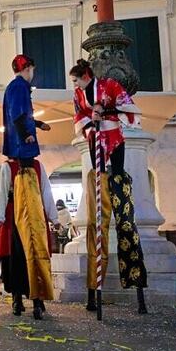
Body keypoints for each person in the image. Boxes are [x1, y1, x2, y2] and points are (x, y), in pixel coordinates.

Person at [70, 59, 148, 315]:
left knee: (125, 219)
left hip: (114, 139)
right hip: (95, 141)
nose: (75, 85)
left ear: (86, 75)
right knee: (96, 225)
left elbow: (128, 107)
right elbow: (79, 117)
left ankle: (135, 281)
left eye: (76, 79)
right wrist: (90, 118)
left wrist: (105, 110)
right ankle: (94, 290)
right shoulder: (79, 94)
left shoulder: (110, 85)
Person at [0, 54, 56, 320]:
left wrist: (38, 124)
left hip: (27, 218)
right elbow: (18, 114)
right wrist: (27, 133)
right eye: (32, 69)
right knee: (23, 257)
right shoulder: (19, 87)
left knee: (26, 257)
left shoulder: (35, 168)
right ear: (27, 69)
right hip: (20, 219)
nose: (33, 73)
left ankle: (33, 301)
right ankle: (23, 300)